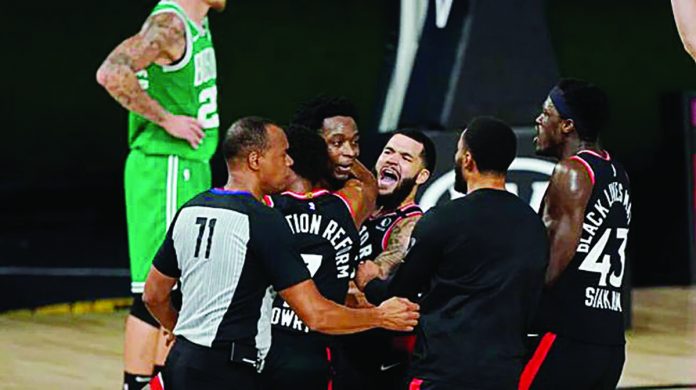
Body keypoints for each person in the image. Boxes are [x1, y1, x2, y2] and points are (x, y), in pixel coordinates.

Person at [142, 117, 420, 389]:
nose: (288, 162)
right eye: (283, 154)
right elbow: (315, 314)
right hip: (231, 370)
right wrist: (380, 316)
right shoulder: (263, 219)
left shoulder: (192, 208)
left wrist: (178, 328)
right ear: (255, 161)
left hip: (182, 362)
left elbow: (153, 295)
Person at [361, 117, 549, 389]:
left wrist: (369, 281)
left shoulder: (443, 219)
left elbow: (399, 295)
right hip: (504, 373)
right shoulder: (533, 225)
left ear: (468, 160)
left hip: (443, 371)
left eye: (459, 152)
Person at [96, 0, 224, 387]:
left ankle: (159, 382)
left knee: (179, 290)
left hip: (187, 166)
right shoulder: (170, 23)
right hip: (165, 166)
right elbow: (111, 72)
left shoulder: (196, 23)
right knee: (157, 289)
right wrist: (166, 119)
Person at [520, 79, 631, 390]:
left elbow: (551, 267)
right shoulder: (616, 171)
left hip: (565, 338)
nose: (539, 121)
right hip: (609, 340)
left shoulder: (572, 171)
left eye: (546, 113)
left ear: (567, 125)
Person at [260, 125, 377, 390]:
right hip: (315, 353)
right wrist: (340, 155)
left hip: (266, 346)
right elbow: (370, 185)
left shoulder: (263, 209)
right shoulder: (346, 205)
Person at [341, 130, 437, 390]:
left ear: (422, 175)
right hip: (330, 335)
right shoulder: (358, 206)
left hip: (364, 353)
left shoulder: (411, 225)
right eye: (388, 152)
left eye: (406, 157)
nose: (392, 160)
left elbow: (367, 285)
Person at [292, 96, 361, 189]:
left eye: (355, 142)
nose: (351, 152)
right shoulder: (286, 198)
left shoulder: (359, 192)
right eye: (337, 143)